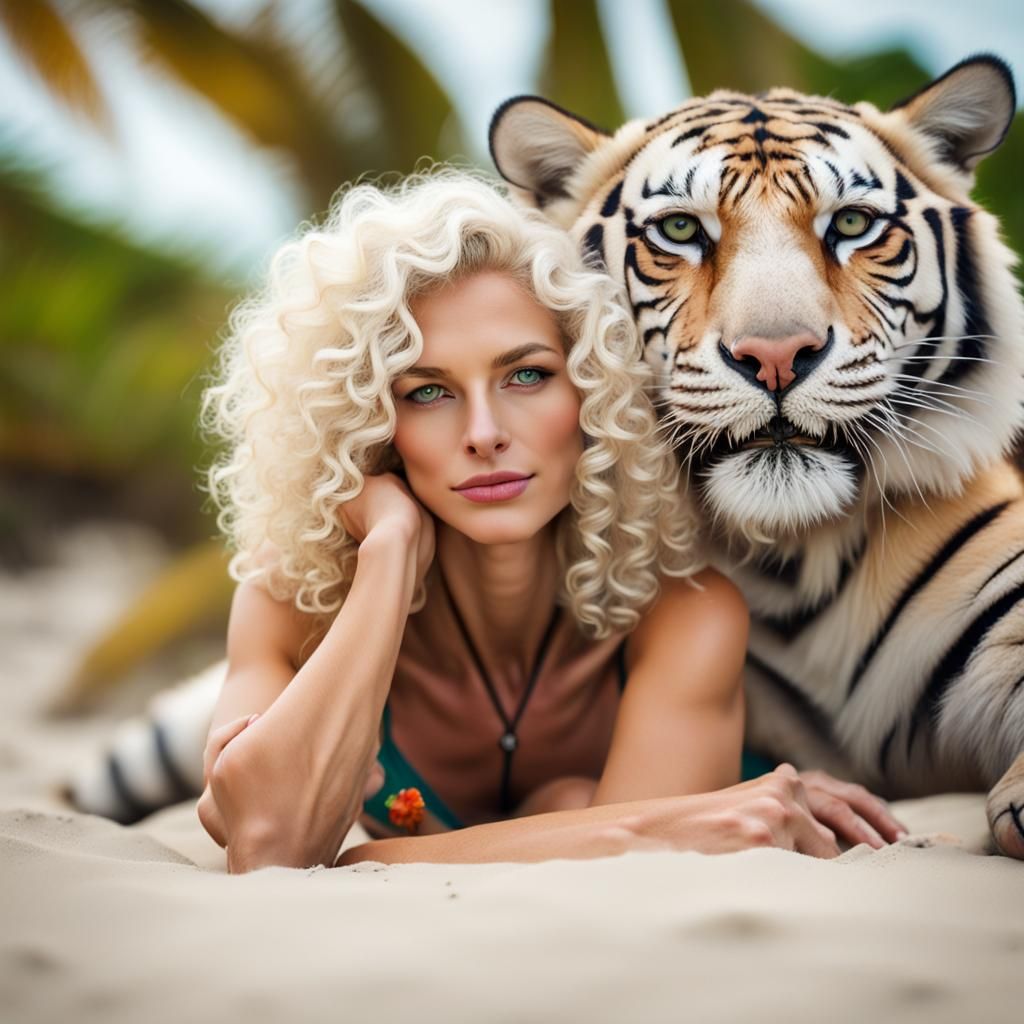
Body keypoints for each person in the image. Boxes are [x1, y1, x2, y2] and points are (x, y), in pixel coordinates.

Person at [195, 172, 904, 873]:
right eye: (428, 391)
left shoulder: (685, 615)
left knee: (565, 794)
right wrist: (387, 551)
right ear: (373, 426)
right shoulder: (291, 596)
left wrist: (369, 858)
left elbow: (623, 883)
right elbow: (271, 844)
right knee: (567, 797)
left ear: (595, 394)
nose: (484, 433)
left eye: (526, 375)